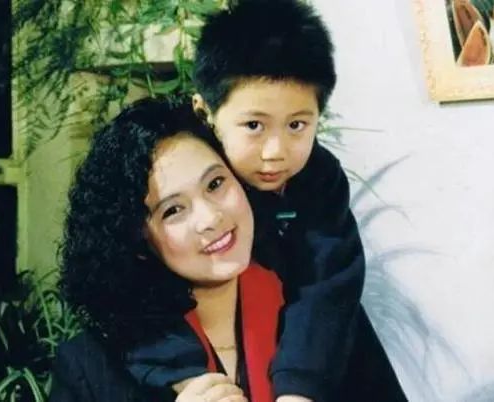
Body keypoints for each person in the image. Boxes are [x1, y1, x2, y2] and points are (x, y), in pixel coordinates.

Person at [125, 0, 407, 401]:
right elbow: (132, 288)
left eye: (297, 125)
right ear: (205, 112)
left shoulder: (320, 178)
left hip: (312, 344)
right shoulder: (192, 174)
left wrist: (300, 387)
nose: (275, 152)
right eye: (254, 125)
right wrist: (187, 377)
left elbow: (326, 282)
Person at [52, 97, 287, 402]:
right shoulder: (91, 367)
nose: (211, 218)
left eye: (215, 183)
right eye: (173, 210)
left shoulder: (315, 315)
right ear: (137, 240)